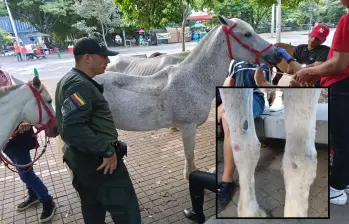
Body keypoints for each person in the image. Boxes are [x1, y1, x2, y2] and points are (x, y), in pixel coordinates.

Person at [55, 36, 141, 223]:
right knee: (128, 214)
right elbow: (73, 128)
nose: (108, 61)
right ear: (88, 58)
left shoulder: (68, 79)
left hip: (82, 163)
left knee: (92, 210)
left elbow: (65, 120)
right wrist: (108, 150)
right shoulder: (80, 85)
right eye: (103, 56)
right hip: (102, 166)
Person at [292, 0, 349, 205]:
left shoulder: (347, 19)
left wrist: (310, 72)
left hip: (340, 86)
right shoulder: (299, 48)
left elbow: (339, 63)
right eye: (313, 35)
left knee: (341, 141)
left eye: (319, 38)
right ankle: (344, 180)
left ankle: (336, 189)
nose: (314, 40)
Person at [1, 78, 56, 223]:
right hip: (8, 141)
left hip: (18, 139)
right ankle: (33, 195)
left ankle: (47, 200)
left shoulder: (6, 75)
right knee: (23, 172)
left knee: (26, 174)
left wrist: (25, 120)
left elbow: (24, 101)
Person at [216, 60, 265, 212]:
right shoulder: (235, 62)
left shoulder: (262, 61)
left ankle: (227, 180)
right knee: (221, 113)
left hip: (255, 97)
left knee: (229, 118)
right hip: (234, 96)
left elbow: (263, 86)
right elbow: (227, 85)